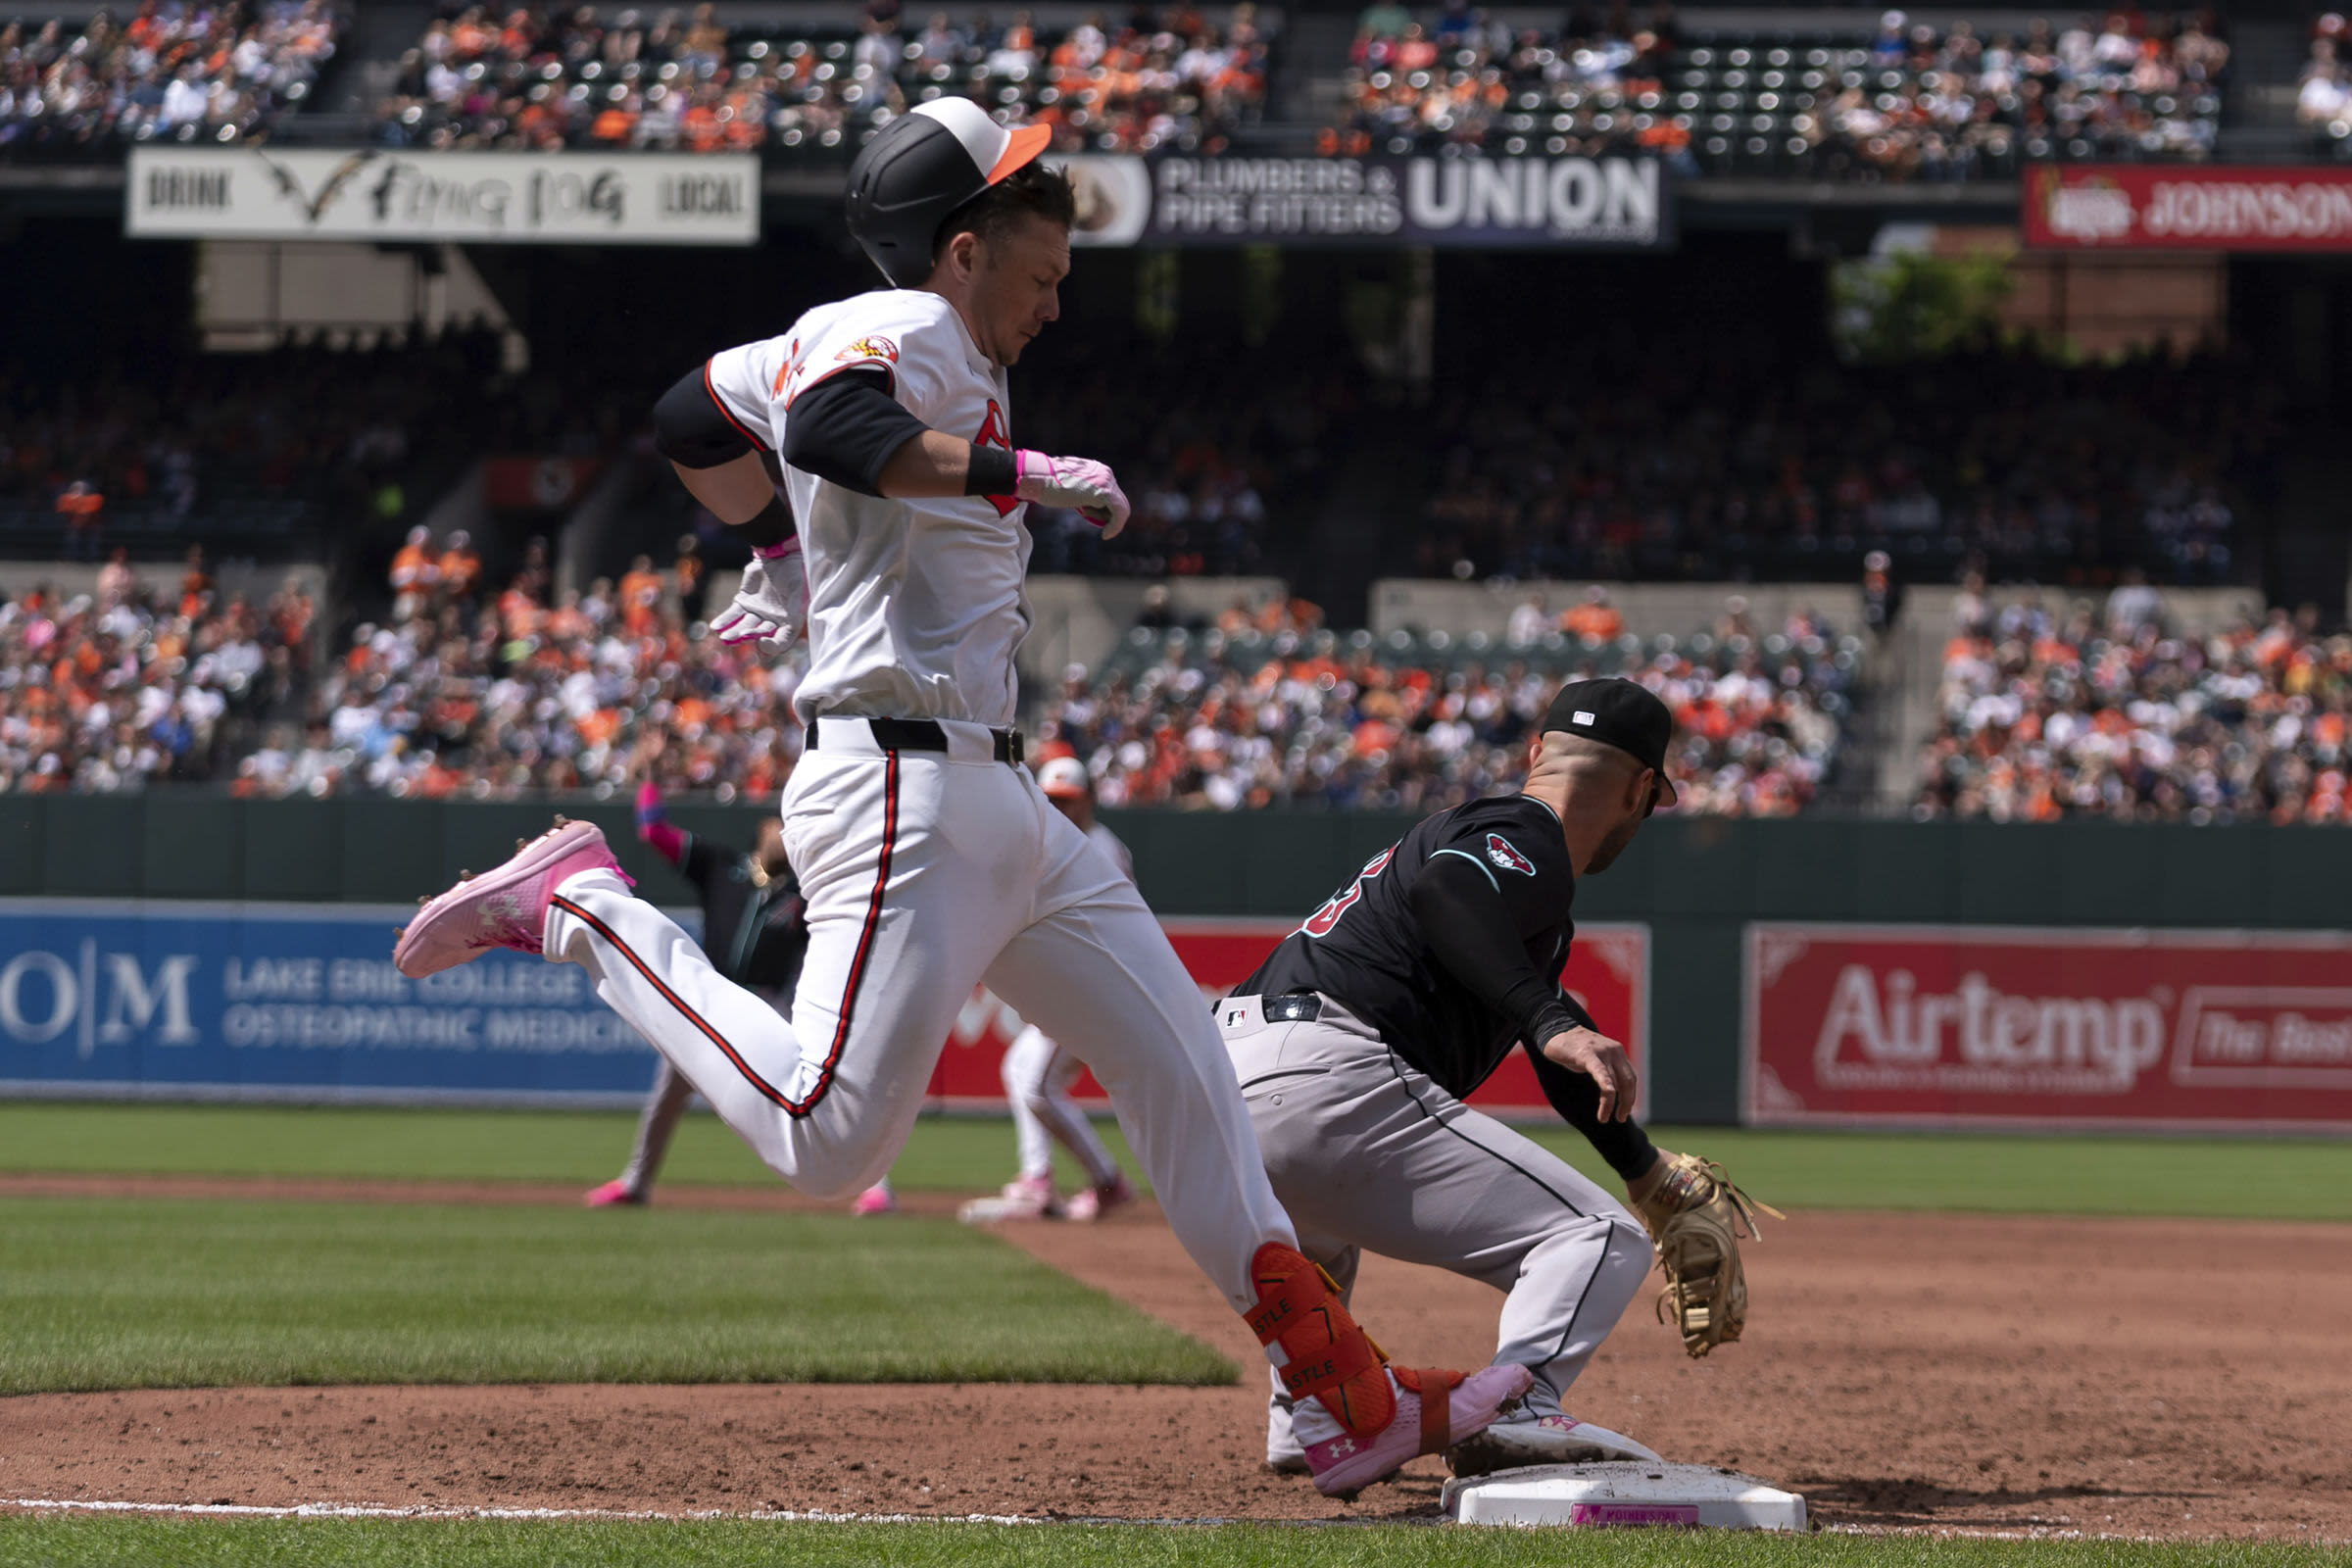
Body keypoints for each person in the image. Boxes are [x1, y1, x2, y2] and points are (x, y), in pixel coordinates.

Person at [393, 97, 1524, 1500]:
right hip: (896, 787)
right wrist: (1019, 473)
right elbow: (837, 427)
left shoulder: (889, 332)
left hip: (1002, 797)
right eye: (1043, 272)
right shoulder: (916, 331)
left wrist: (775, 547)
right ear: (966, 244)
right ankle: (586, 911)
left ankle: (1331, 1389)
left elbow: (693, 413)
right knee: (824, 1141)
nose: (1057, 303)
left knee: (1188, 1074)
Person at [1219, 677, 1730, 1478]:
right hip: (1324, 1076)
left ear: (1536, 754)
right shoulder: (1528, 836)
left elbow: (1536, 1011)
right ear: (1641, 790)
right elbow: (1448, 894)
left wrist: (1646, 1170)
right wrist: (1554, 1024)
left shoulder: (1493, 861)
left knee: (1325, 1238)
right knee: (1593, 1240)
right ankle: (1520, 1411)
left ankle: (1317, 1412)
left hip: (1232, 1087)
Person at [583, 782, 808, 1208]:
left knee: (820, 1091)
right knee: (668, 1092)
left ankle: (875, 1190)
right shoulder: (723, 866)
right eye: (781, 825)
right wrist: (650, 778)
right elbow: (654, 833)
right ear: (762, 829)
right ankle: (636, 1183)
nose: (786, 835)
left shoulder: (801, 896)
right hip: (715, 998)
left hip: (771, 1006)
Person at [958, 755, 1140, 1223]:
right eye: (1051, 799)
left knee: (1037, 1083)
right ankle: (1041, 1176)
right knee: (1020, 1067)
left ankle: (1102, 1181)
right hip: (1074, 985)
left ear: (1089, 800)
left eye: (1068, 800)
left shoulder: (1097, 846)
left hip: (1097, 985)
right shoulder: (1054, 842)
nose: (1059, 808)